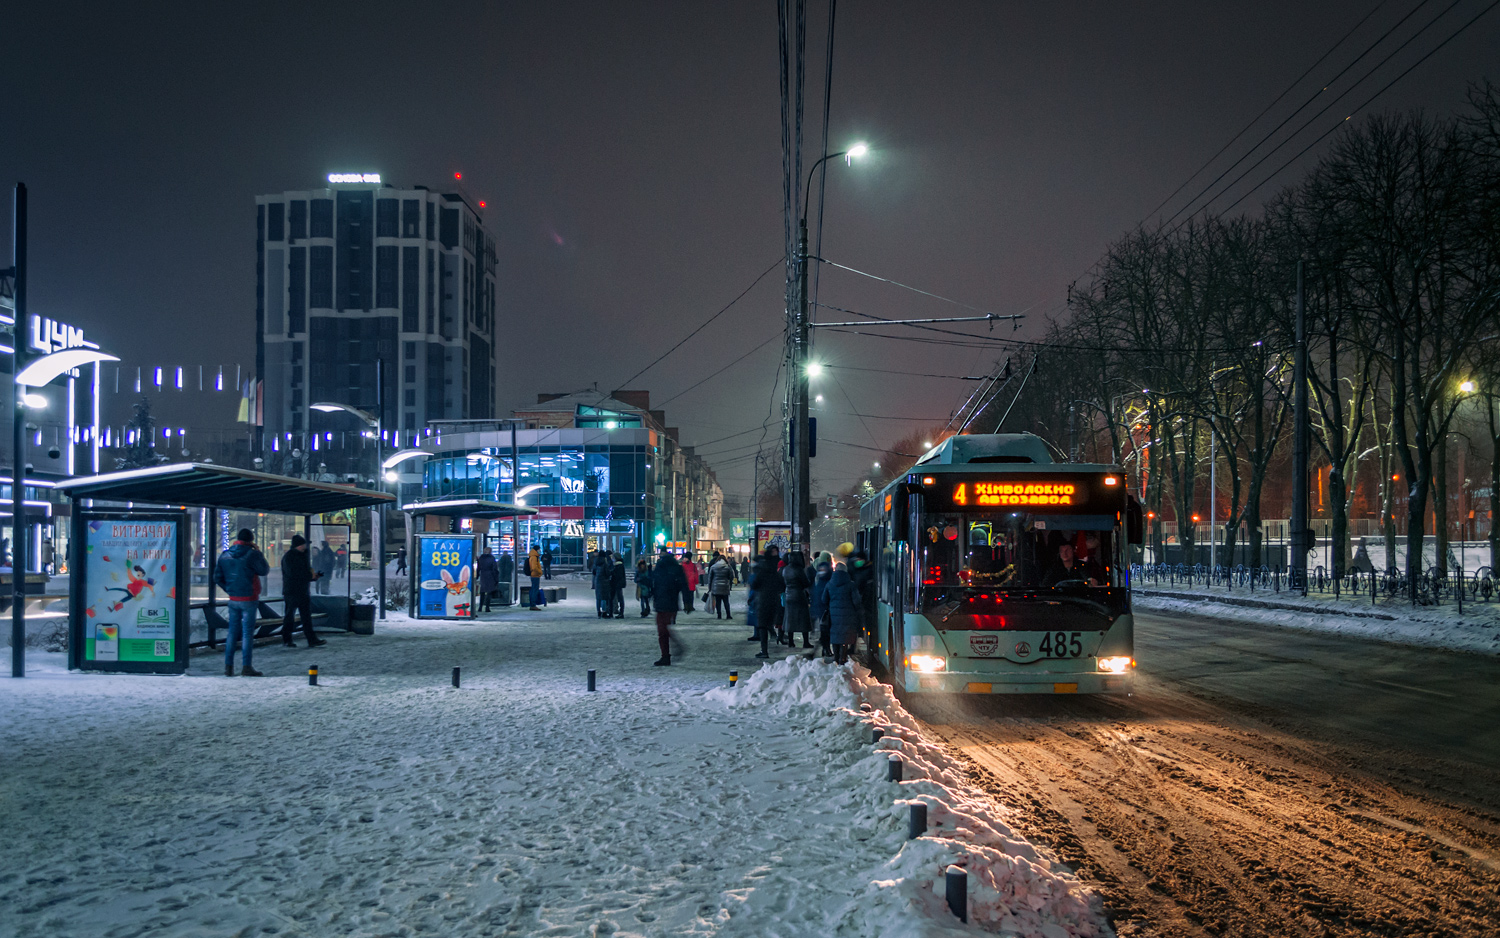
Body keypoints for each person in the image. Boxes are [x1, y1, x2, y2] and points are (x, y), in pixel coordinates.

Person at [215, 528, 270, 676]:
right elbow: (264, 570)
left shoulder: (225, 555)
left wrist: (230, 590)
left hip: (233, 599)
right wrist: (258, 552)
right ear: (251, 541)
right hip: (249, 599)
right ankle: (246, 666)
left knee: (232, 632)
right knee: (247, 634)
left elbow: (217, 577)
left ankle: (228, 667)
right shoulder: (252, 554)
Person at [279, 534, 326, 648]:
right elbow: (294, 574)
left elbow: (299, 573)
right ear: (298, 545)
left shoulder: (297, 556)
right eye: (303, 544)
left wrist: (312, 577)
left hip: (299, 590)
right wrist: (309, 576)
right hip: (294, 591)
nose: (305, 546)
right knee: (293, 616)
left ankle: (309, 639)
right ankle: (290, 639)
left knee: (302, 616)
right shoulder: (291, 557)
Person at [817, 560, 863, 665]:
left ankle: (836, 657)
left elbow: (824, 599)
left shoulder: (830, 584)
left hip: (834, 614)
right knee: (845, 635)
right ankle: (843, 657)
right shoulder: (850, 584)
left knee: (835, 634)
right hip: (848, 614)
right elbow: (856, 601)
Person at [649, 547, 689, 666]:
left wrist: (651, 595)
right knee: (664, 627)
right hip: (672, 602)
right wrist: (687, 602)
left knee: (662, 629)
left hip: (661, 601)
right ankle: (669, 653)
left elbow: (653, 583)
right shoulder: (677, 568)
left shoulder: (660, 567)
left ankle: (668, 654)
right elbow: (684, 585)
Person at [749, 548, 784, 658]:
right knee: (769, 622)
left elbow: (754, 585)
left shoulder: (762, 571)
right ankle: (775, 636)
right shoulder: (775, 572)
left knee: (762, 625)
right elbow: (782, 586)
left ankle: (764, 650)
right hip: (774, 600)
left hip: (763, 600)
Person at [781, 550, 813, 648]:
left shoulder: (785, 569)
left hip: (788, 595)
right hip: (799, 595)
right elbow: (806, 583)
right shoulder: (798, 569)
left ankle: (791, 641)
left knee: (790, 619)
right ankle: (806, 642)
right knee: (803, 619)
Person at [849, 549, 877, 649]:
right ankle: (853, 646)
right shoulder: (854, 570)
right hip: (858, 603)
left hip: (866, 603)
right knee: (855, 625)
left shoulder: (869, 570)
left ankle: (869, 645)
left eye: (860, 559)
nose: (858, 561)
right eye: (856, 559)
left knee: (867, 624)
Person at [811, 552, 834, 657]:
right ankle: (826, 648)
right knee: (827, 628)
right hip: (826, 603)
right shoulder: (828, 569)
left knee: (823, 627)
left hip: (818, 603)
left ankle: (825, 648)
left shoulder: (818, 570)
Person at [708, 552, 734, 619]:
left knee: (718, 602)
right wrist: (728, 580)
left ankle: (719, 615)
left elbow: (710, 578)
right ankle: (728, 615)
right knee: (726, 602)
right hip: (725, 586)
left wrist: (710, 587)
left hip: (716, 586)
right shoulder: (728, 566)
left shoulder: (713, 567)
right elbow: (732, 576)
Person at [593, 550, 615, 618]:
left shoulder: (596, 562)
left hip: (597, 581)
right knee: (604, 598)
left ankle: (598, 612)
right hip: (604, 581)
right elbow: (607, 573)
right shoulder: (604, 563)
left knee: (598, 598)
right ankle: (604, 611)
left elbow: (593, 571)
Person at [526, 545, 546, 609]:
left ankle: (532, 604)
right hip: (535, 575)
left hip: (534, 575)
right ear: (536, 550)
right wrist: (540, 572)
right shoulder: (534, 557)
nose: (540, 551)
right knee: (535, 590)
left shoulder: (533, 556)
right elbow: (534, 567)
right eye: (539, 549)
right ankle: (533, 604)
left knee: (533, 589)